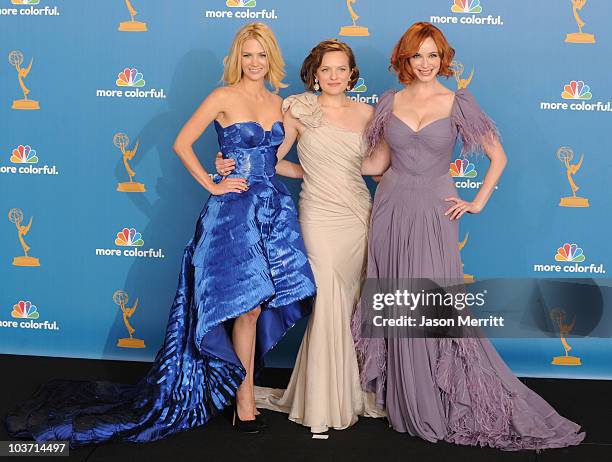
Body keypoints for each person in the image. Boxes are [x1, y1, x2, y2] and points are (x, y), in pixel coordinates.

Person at [5, 22, 315, 445]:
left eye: (262, 55)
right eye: (248, 55)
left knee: (258, 309)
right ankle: (244, 401)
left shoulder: (280, 104)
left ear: (271, 58)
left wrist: (325, 176)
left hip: (274, 211)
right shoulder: (223, 96)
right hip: (233, 215)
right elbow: (181, 143)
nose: (255, 62)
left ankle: (235, 386)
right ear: (237, 58)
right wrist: (213, 180)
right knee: (243, 307)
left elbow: (274, 161)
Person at [352, 22, 585, 450]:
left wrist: (477, 201)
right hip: (390, 207)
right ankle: (407, 401)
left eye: (433, 55)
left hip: (437, 208)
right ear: (404, 59)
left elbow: (498, 155)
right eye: (417, 55)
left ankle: (439, 401)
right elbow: (377, 162)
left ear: (444, 59)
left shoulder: (458, 101)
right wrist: (318, 153)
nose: (425, 64)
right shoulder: (390, 101)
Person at [217, 39, 384, 433]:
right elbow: (271, 160)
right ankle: (322, 404)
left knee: (350, 304)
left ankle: (349, 392)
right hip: (319, 215)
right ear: (314, 73)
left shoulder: (368, 113)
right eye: (325, 70)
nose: (333, 76)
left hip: (358, 214)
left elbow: (377, 164)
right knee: (327, 299)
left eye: (341, 69)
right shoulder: (299, 108)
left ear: (352, 74)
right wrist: (228, 161)